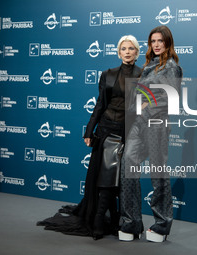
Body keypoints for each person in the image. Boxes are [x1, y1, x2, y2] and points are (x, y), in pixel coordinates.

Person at [37, 35, 141, 240]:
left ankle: (113, 218)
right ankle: (98, 219)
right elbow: (100, 105)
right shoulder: (108, 75)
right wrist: (89, 130)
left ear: (137, 52)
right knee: (105, 176)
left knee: (119, 179)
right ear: (118, 52)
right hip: (106, 131)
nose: (127, 52)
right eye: (123, 48)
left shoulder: (143, 75)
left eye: (131, 48)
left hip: (128, 133)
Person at [118, 26, 182, 242]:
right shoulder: (149, 66)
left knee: (158, 173)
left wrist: (145, 108)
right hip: (138, 125)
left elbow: (170, 99)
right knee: (128, 165)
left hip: (157, 124)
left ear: (167, 43)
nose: (156, 44)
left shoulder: (171, 67)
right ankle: (131, 222)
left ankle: (162, 225)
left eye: (160, 41)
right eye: (152, 41)